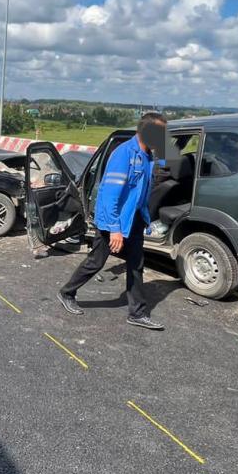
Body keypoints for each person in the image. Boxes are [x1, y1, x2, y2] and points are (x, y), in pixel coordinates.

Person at [57, 112, 167, 330]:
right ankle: (66, 292)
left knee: (136, 264)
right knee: (96, 262)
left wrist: (144, 218)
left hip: (133, 220)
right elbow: (109, 196)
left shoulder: (148, 156)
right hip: (112, 221)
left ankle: (136, 313)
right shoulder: (123, 154)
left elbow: (143, 190)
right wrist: (115, 230)